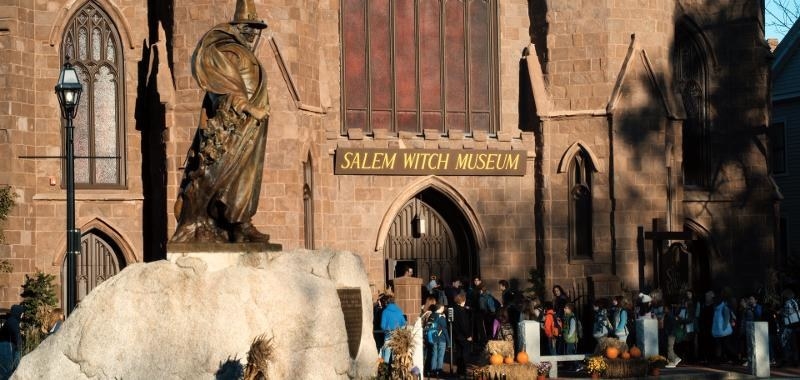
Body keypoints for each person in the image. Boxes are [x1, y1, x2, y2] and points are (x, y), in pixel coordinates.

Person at [171, 0, 272, 243]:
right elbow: (225, 90)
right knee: (226, 175)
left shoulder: (244, 52)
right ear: (236, 26)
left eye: (255, 28)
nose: (252, 32)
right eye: (248, 26)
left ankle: (240, 223)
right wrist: (249, 108)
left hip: (252, 126)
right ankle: (228, 222)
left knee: (246, 175)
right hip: (234, 126)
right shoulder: (224, 50)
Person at [452, 291, 473, 377]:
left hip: (457, 335)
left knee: (459, 353)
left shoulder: (454, 309)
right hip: (464, 336)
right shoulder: (461, 311)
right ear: (462, 301)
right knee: (465, 354)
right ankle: (463, 370)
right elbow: (464, 325)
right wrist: (468, 335)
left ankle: (459, 370)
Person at [380, 296, 407, 363]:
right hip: (397, 336)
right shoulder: (399, 311)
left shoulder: (385, 311)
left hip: (388, 336)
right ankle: (394, 372)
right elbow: (404, 323)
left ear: (387, 303)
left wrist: (387, 330)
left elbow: (382, 326)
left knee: (386, 356)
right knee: (395, 357)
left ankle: (385, 371)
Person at [427, 304, 450, 378]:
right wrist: (448, 342)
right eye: (443, 307)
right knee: (440, 355)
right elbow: (445, 330)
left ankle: (432, 370)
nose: (444, 308)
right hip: (441, 339)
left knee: (434, 354)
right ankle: (438, 371)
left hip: (433, 338)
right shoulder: (441, 317)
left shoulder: (431, 316)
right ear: (440, 308)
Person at [0, 304, 24, 375]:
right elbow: (17, 335)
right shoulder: (13, 321)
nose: (22, 315)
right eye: (22, 313)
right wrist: (19, 346)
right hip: (6, 350)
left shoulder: (11, 320)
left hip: (6, 348)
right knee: (6, 372)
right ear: (18, 312)